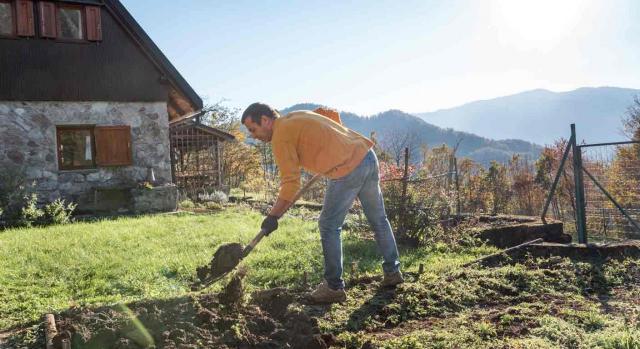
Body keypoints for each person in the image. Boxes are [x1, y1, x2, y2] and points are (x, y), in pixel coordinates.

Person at [241, 102, 403, 304]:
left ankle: (334, 287)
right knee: (379, 219)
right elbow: (329, 113)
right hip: (366, 155)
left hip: (346, 170)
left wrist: (272, 216)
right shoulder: (295, 116)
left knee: (328, 225)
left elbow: (291, 184)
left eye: (253, 129)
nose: (253, 135)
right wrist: (334, 143)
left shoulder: (280, 136)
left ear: (265, 120)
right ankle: (392, 272)